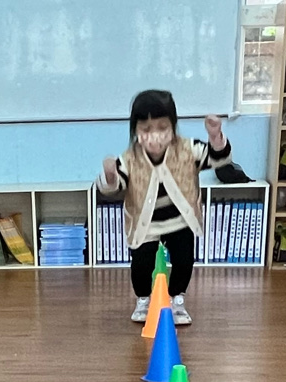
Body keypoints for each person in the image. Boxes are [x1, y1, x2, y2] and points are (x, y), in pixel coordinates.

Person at [97, 89, 234, 325]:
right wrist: (110, 175)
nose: (155, 136)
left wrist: (215, 137)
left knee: (184, 259)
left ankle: (176, 299)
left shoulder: (188, 149)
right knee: (141, 263)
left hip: (180, 220)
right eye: (146, 129)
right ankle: (143, 299)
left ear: (173, 126)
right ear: (136, 131)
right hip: (145, 223)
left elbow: (218, 159)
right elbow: (114, 187)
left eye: (162, 127)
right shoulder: (129, 159)